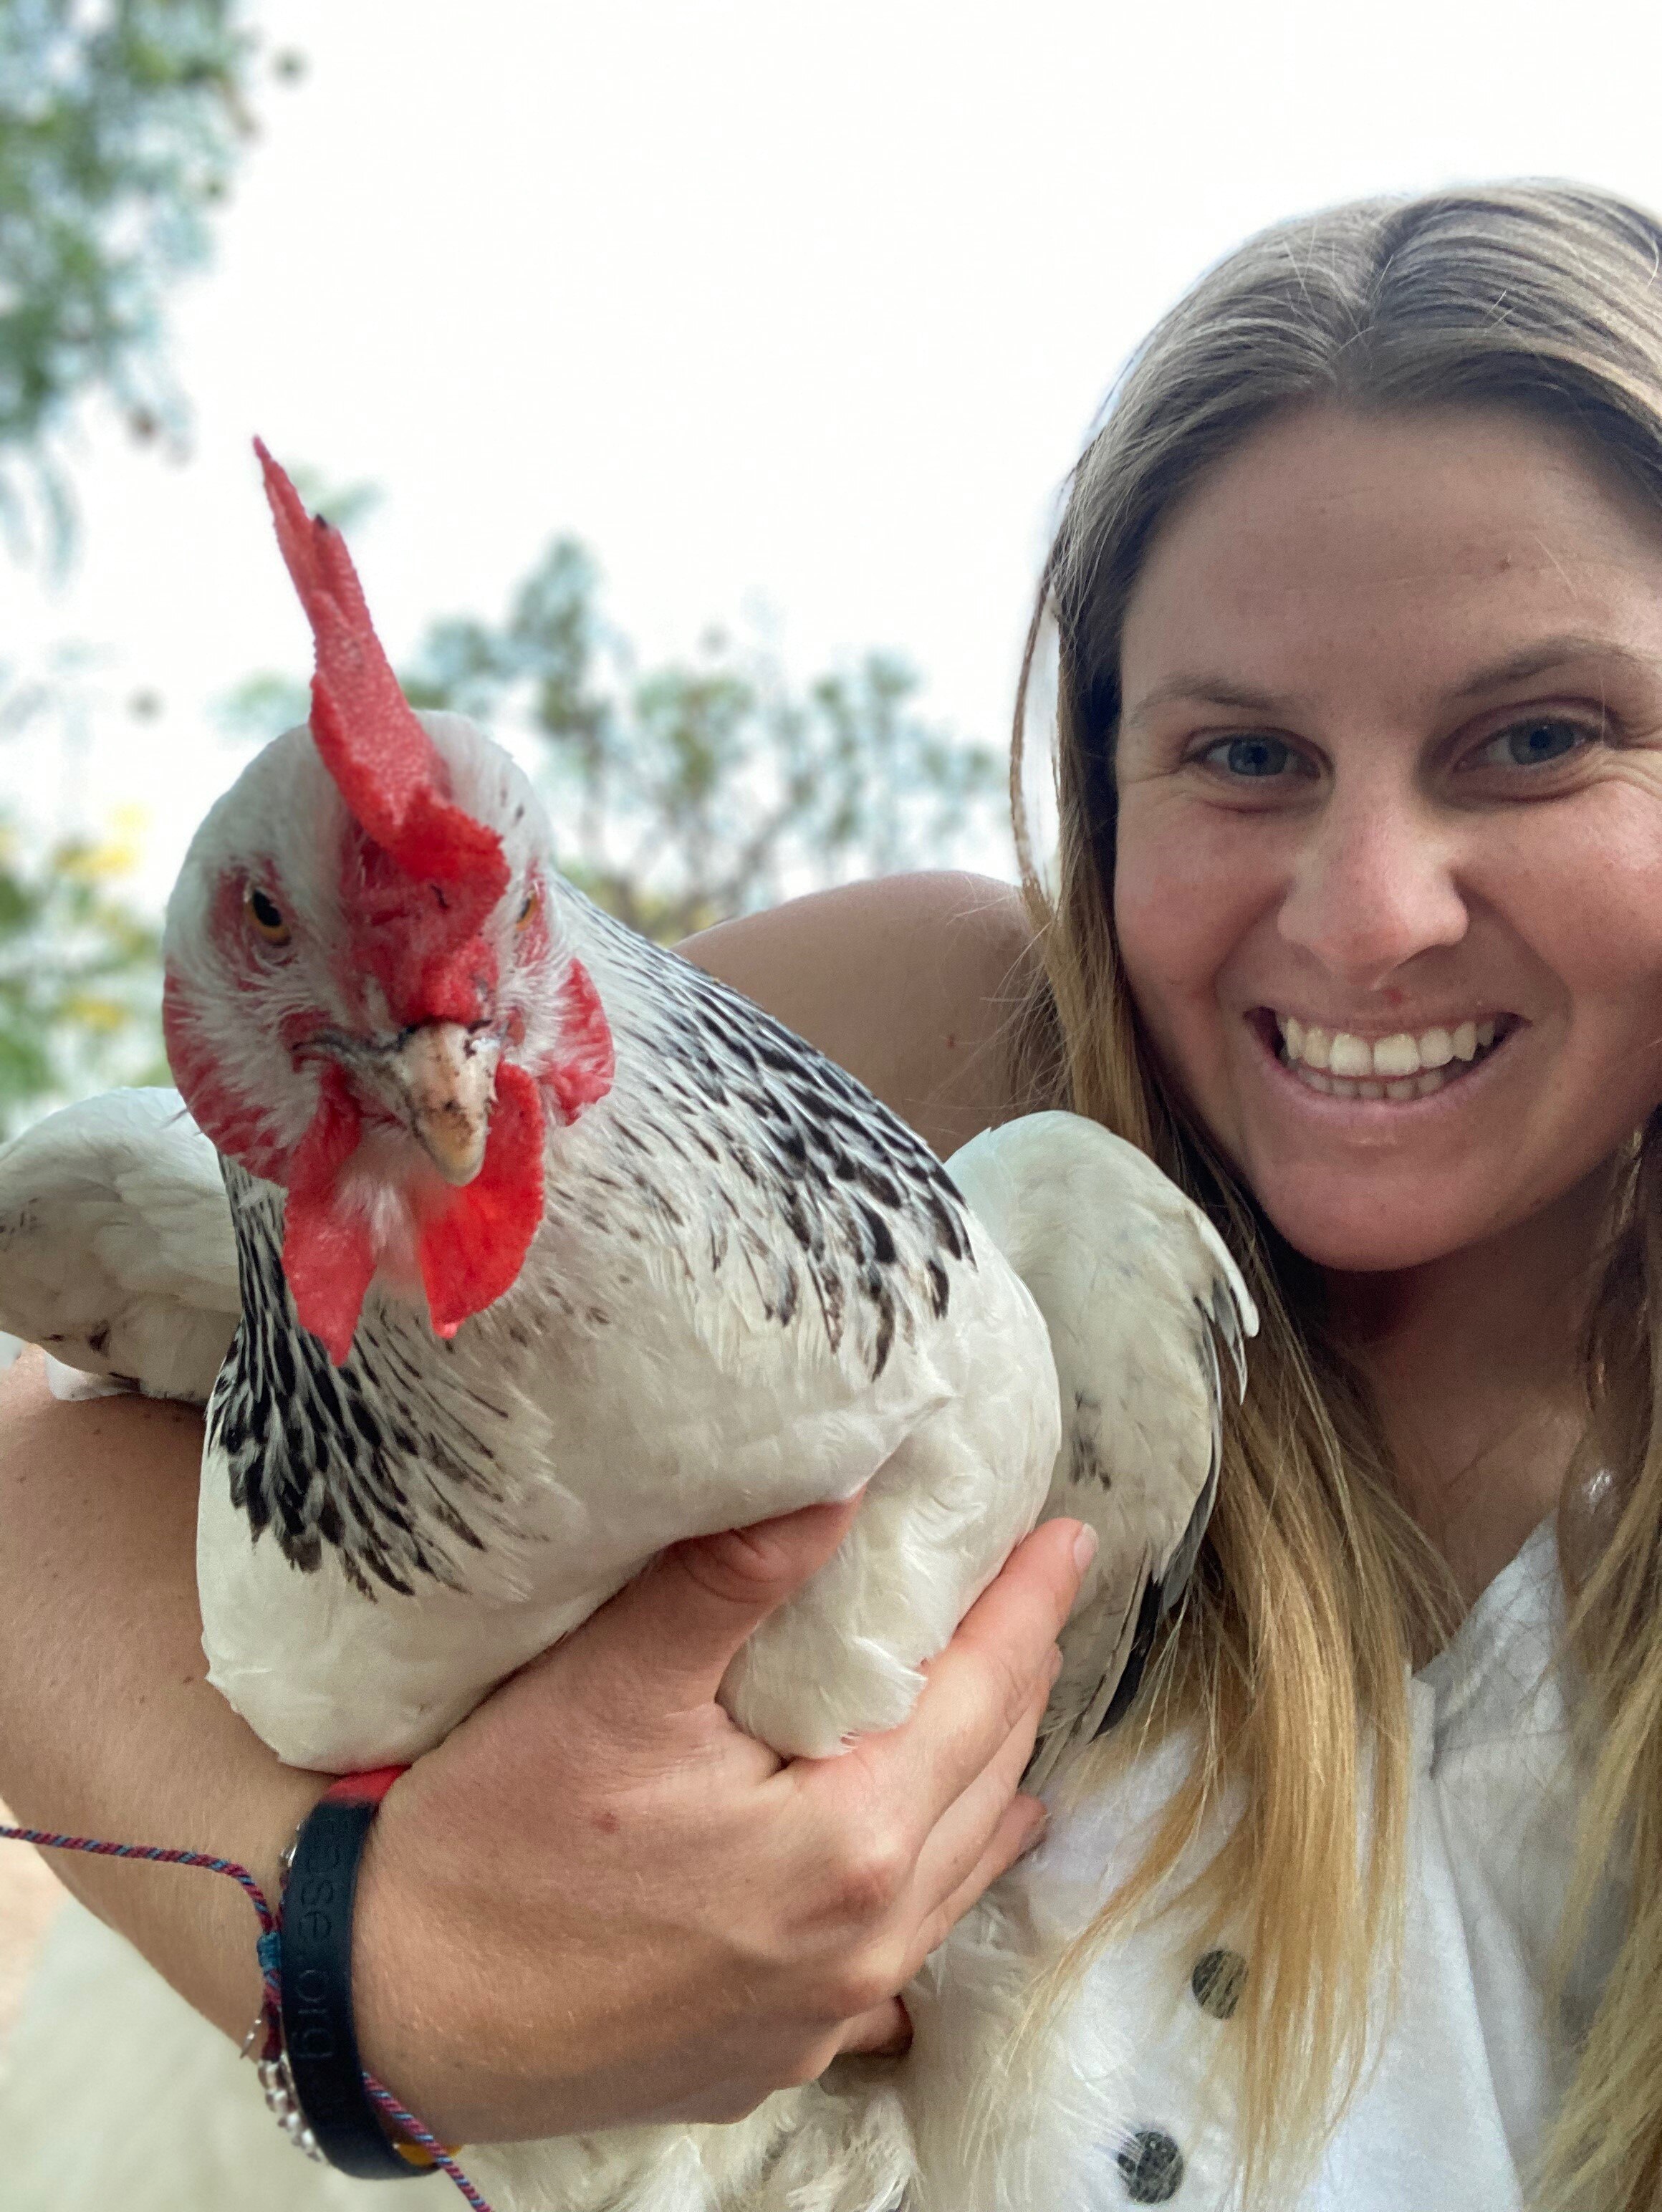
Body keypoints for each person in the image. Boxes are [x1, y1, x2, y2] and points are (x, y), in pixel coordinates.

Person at [1, 173, 1658, 2209]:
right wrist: (368, 1953)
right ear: (1103, 781)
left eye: (1540, 738)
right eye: (1244, 757)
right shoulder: (939, 1046)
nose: (1370, 914)